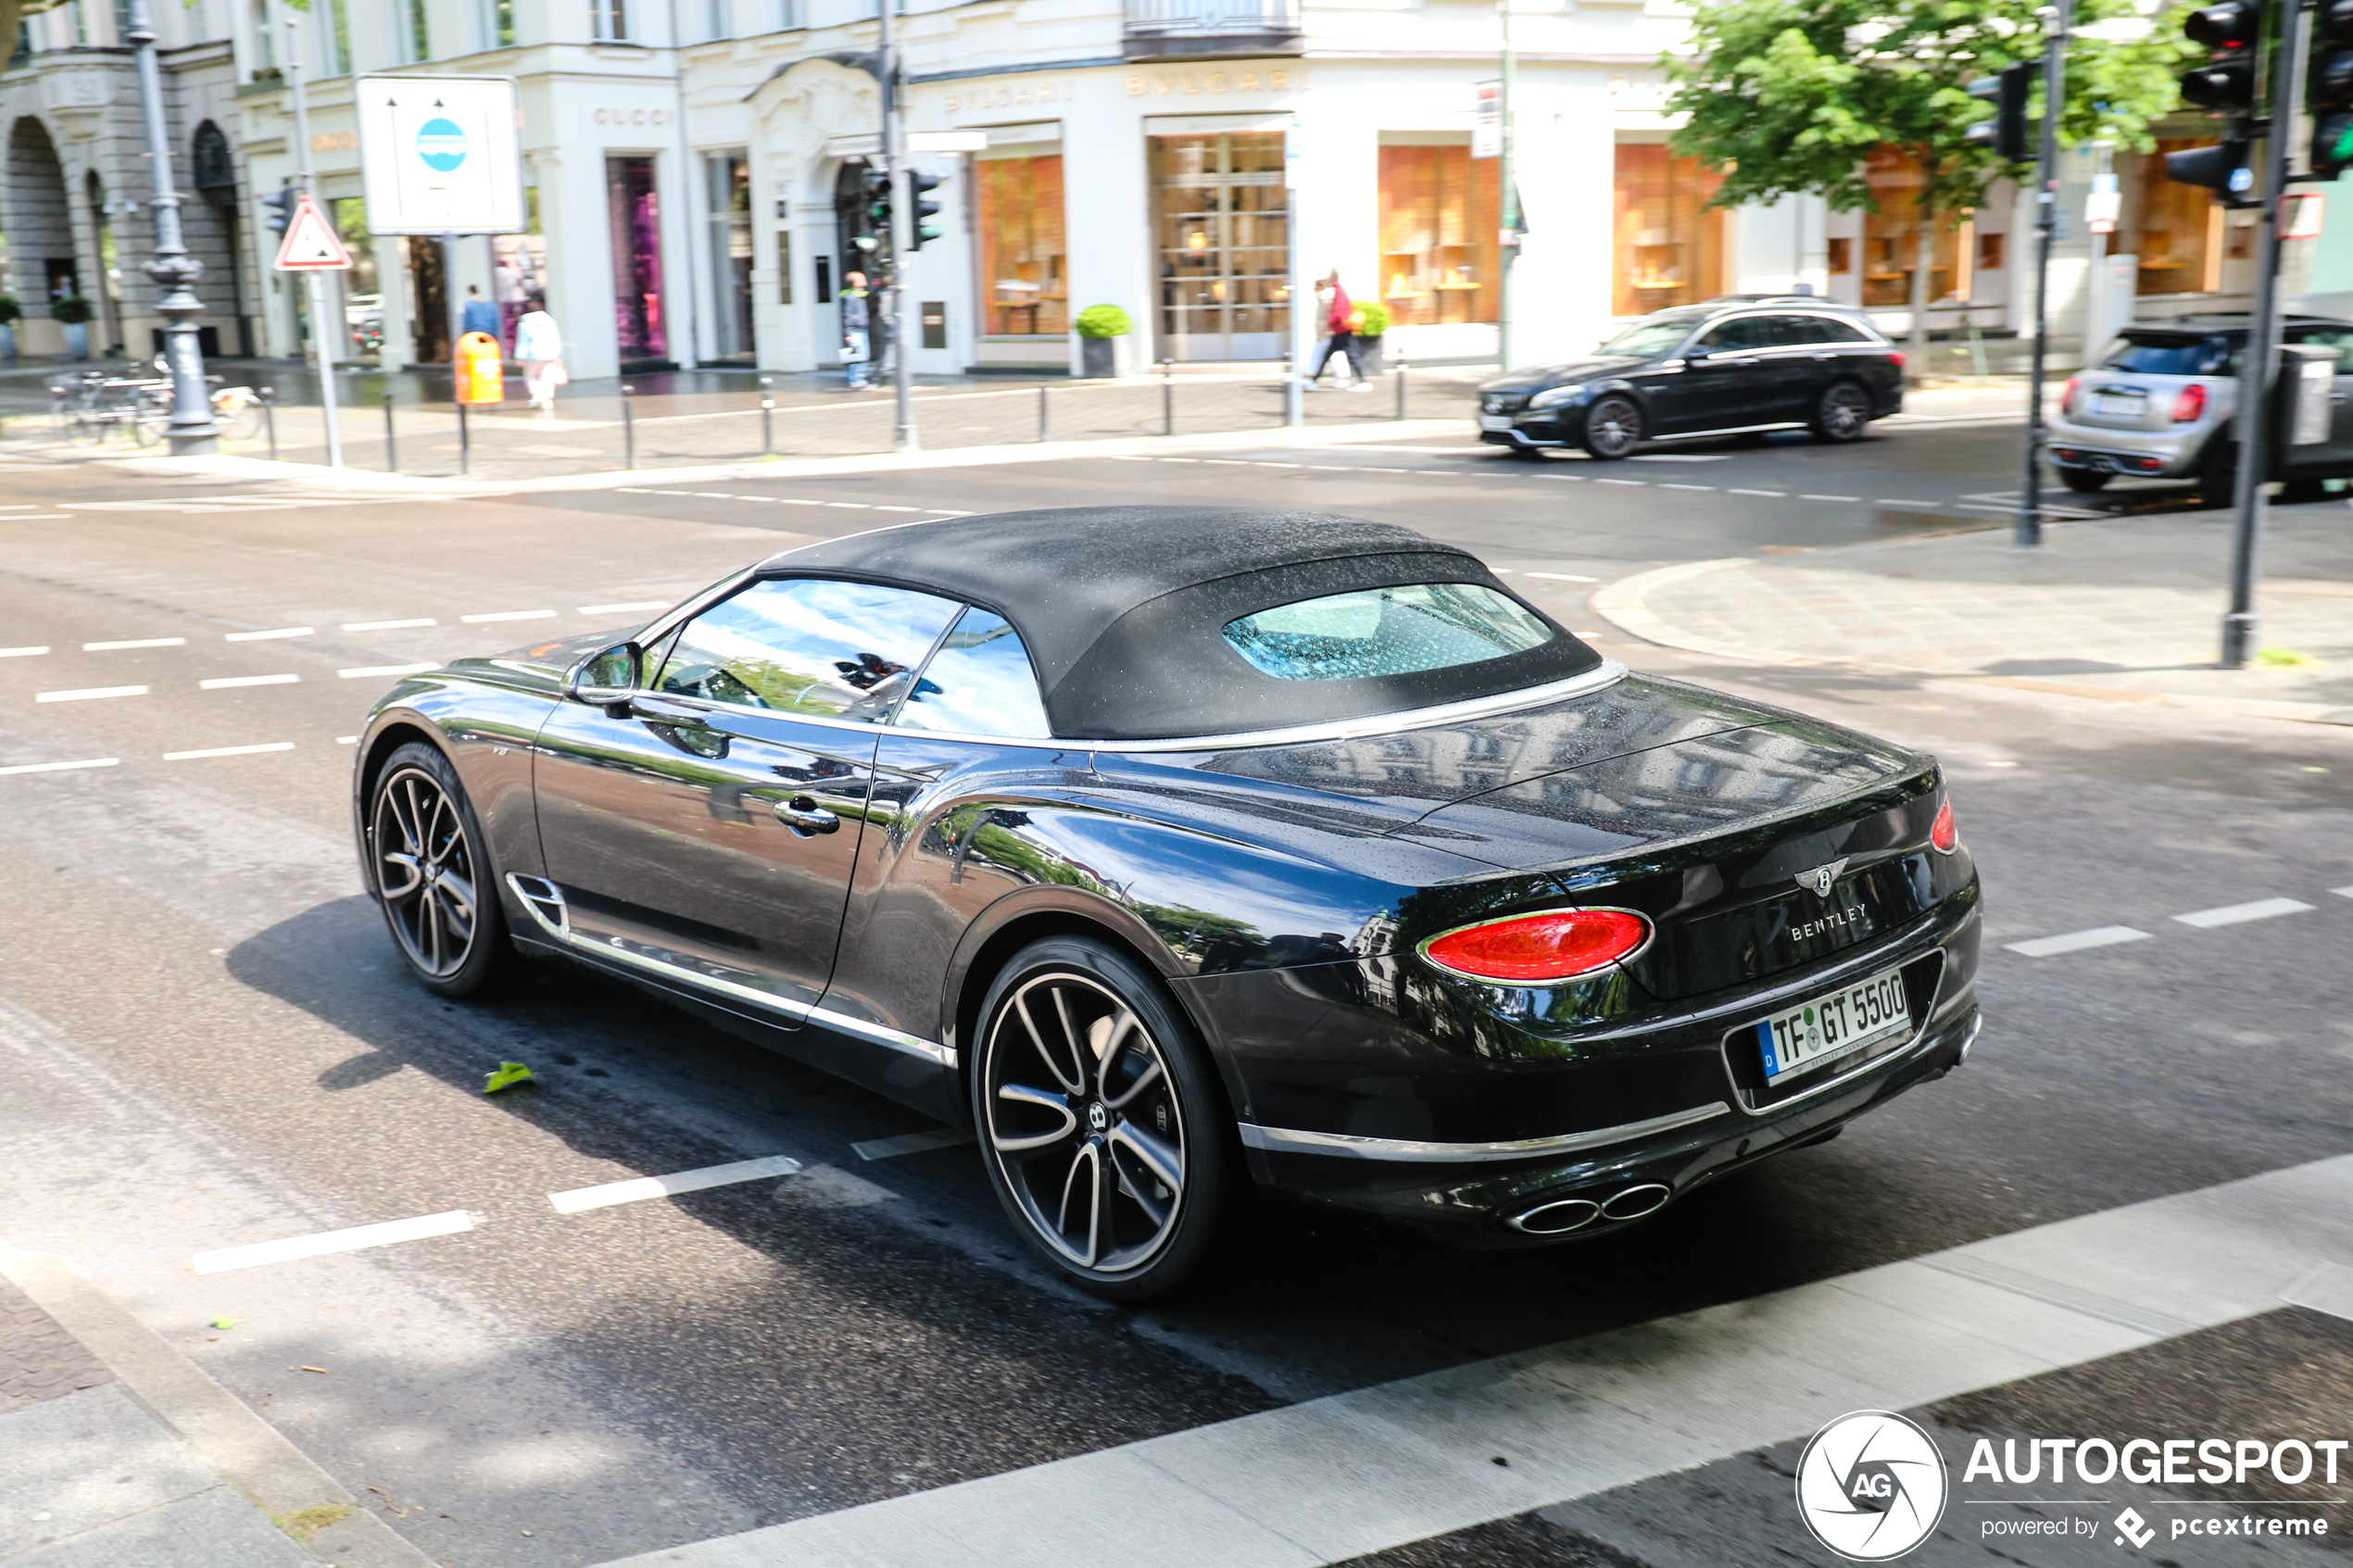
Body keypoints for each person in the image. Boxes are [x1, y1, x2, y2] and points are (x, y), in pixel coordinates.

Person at [1307, 270, 1368, 391]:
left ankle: (1362, 382)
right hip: (1340, 331)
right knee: (1329, 356)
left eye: (1330, 278)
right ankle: (1314, 380)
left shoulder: (1339, 292)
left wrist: (1329, 324)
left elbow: (1339, 312)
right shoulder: (1338, 292)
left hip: (1343, 331)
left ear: (1334, 279)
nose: (1328, 280)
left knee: (1351, 357)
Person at [514, 294, 566, 412]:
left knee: (531, 375)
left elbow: (523, 341)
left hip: (532, 355)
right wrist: (557, 354)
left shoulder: (525, 323)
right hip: (548, 354)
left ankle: (537, 396)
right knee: (547, 376)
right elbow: (555, 338)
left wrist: (519, 356)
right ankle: (547, 400)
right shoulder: (549, 321)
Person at [839, 270, 873, 391]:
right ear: (854, 283)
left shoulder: (861, 295)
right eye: (861, 279)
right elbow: (846, 315)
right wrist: (848, 332)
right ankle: (856, 380)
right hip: (855, 331)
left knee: (861, 356)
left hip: (861, 329)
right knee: (858, 357)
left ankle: (856, 379)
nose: (865, 282)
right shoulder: (850, 297)